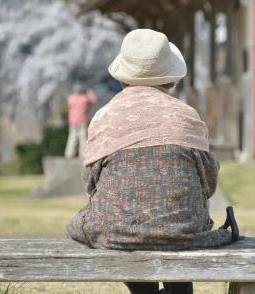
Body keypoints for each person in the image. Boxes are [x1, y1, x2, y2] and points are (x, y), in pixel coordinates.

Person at [66, 29, 239, 294]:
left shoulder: (104, 116)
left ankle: (143, 291)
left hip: (118, 230)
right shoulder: (187, 116)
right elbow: (209, 180)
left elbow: (91, 182)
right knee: (178, 231)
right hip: (184, 230)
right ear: (169, 76)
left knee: (89, 224)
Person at [64, 84, 97, 159]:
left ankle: (69, 155)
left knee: (72, 139)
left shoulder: (71, 98)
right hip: (82, 121)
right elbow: (93, 100)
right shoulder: (85, 98)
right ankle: (83, 156)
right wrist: (90, 92)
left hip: (72, 122)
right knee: (83, 139)